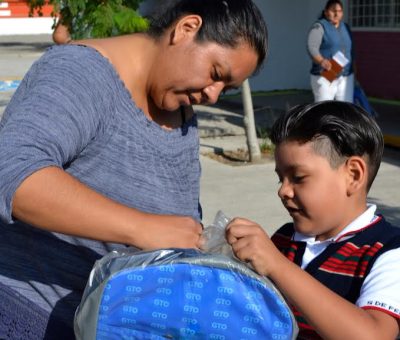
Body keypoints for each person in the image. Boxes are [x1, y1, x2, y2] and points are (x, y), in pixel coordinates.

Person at [0, 0, 268, 338]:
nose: (213, 95)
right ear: (186, 29)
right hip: (26, 316)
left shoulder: (182, 116)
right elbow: (13, 171)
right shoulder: (80, 73)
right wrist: (141, 228)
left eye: (226, 89)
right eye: (216, 74)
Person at [226, 101, 400, 339]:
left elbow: (374, 335)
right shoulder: (284, 239)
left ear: (353, 175)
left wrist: (277, 265)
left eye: (298, 177)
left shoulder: (388, 250)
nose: (283, 191)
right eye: (281, 179)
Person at [307, 0, 354, 102]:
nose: (336, 14)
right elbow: (312, 47)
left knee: (346, 110)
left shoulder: (345, 27)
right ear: (326, 12)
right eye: (333, 10)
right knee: (324, 110)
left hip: (345, 76)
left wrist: (354, 69)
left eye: (339, 11)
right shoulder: (319, 27)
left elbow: (351, 50)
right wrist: (322, 61)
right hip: (326, 75)